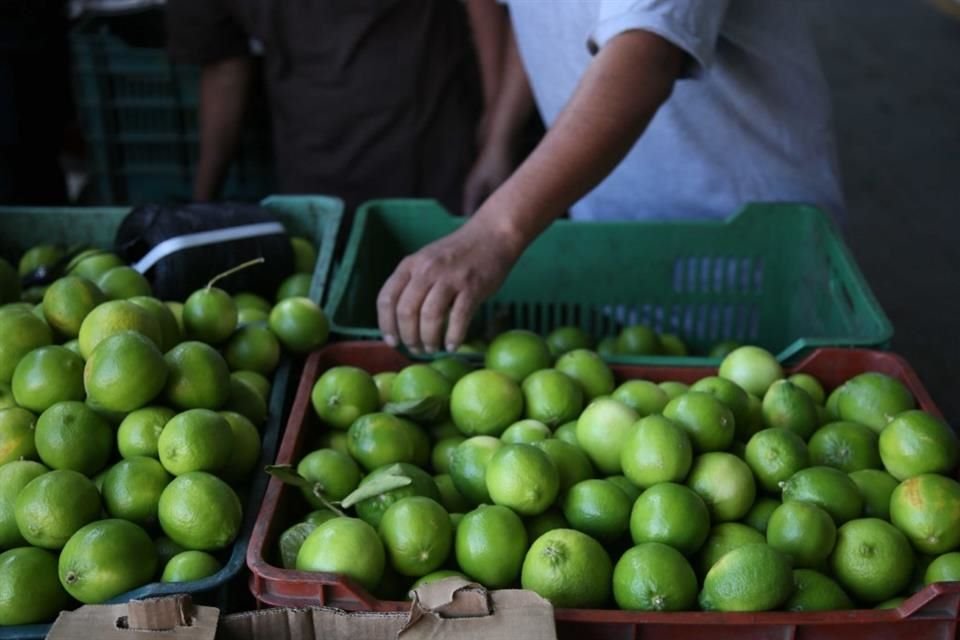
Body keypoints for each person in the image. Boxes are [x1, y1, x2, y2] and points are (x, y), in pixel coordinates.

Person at [377, 0, 845, 354]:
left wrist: (495, 231)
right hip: (619, 225)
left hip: (745, 240)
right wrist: (501, 140)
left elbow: (644, 56)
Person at [165, 0, 483, 214]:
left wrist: (498, 137)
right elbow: (224, 69)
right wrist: (202, 202)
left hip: (432, 155)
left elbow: (488, 11)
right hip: (312, 171)